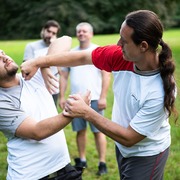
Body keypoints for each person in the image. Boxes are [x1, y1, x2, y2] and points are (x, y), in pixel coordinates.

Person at [20, 10, 178, 180]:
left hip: (147, 154)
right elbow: (81, 58)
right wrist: (38, 62)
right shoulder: (122, 56)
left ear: (143, 46)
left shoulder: (158, 91)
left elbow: (129, 137)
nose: (118, 44)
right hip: (123, 148)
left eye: (124, 41)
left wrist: (86, 112)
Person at [0, 36, 85, 180]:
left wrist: (42, 63)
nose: (4, 57)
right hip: (31, 176)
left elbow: (65, 40)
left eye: (2, 53)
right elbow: (37, 131)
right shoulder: (2, 102)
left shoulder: (32, 75)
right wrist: (72, 111)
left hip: (63, 169)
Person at [59, 22, 111, 175]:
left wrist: (103, 97)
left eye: (85, 31)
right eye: (79, 31)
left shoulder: (97, 51)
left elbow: (106, 75)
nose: (81, 33)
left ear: (91, 34)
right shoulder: (70, 53)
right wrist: (62, 96)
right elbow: (63, 76)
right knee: (80, 131)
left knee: (98, 132)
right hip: (76, 99)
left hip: (95, 99)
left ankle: (102, 163)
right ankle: (82, 160)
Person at [23, 20, 61, 106]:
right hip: (36, 88)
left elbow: (60, 70)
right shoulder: (32, 46)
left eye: (54, 33)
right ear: (43, 30)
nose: (50, 35)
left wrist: (53, 47)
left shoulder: (58, 48)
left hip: (53, 88)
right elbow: (26, 68)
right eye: (48, 31)